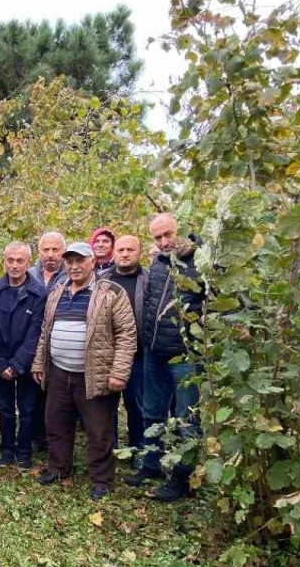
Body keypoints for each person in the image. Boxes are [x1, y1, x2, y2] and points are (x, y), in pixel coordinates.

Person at [31, 242, 136, 501]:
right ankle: (58, 467)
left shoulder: (111, 292)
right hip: (59, 371)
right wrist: (38, 363)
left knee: (98, 430)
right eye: (70, 261)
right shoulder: (57, 291)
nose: (74, 266)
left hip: (95, 373)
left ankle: (101, 479)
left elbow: (126, 334)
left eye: (80, 261)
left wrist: (119, 372)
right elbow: (46, 330)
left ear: (93, 262)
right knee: (56, 423)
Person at [137, 213, 207, 502]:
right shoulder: (158, 264)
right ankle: (152, 464)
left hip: (186, 356)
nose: (164, 242)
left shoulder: (200, 263)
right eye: (158, 237)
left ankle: (181, 479)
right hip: (154, 351)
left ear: (183, 231)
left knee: (186, 419)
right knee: (152, 411)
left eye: (169, 234)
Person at [0, 241, 47, 469]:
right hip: (0, 361)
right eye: (10, 260)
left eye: (20, 260)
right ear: (4, 261)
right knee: (4, 409)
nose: (14, 265)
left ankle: (24, 451)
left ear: (28, 263)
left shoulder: (39, 292)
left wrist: (18, 364)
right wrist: (1, 364)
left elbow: (36, 332)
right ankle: (7, 450)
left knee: (28, 409)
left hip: (26, 363)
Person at [102, 234, 148, 457]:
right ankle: (109, 450)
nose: (125, 254)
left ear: (140, 252)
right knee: (105, 407)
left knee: (136, 405)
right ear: (114, 253)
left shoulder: (148, 280)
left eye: (130, 250)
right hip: (106, 355)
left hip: (139, 356)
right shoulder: (101, 281)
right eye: (120, 250)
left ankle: (137, 451)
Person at [27, 231, 66, 457]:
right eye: (45, 250)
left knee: (56, 397)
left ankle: (56, 440)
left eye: (55, 249)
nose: (50, 255)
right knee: (33, 395)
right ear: (39, 251)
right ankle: (35, 437)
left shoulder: (70, 274)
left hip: (58, 344)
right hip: (31, 343)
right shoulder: (29, 274)